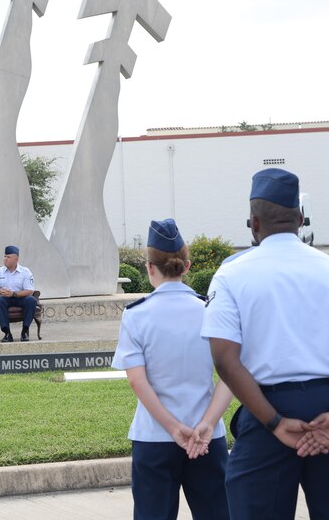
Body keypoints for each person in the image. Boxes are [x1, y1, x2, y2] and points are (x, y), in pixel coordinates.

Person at [201, 168, 329, 520]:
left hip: (263, 407)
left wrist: (275, 422)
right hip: (327, 408)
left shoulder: (232, 275)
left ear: (253, 223)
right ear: (300, 219)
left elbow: (224, 359)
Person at [112, 218, 232, 520]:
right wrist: (206, 423)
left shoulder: (136, 315)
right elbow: (230, 376)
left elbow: (137, 382)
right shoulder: (209, 309)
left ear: (150, 268)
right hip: (207, 438)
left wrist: (174, 428)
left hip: (154, 437)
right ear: (187, 266)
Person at [0, 246, 37, 342]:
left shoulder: (25, 272)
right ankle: (7, 333)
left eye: (8, 257)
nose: (5, 259)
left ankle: (25, 332)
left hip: (19, 297)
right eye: (4, 256)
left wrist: (14, 294)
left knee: (31, 300)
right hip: (5, 298)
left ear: (16, 259)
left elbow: (30, 291)